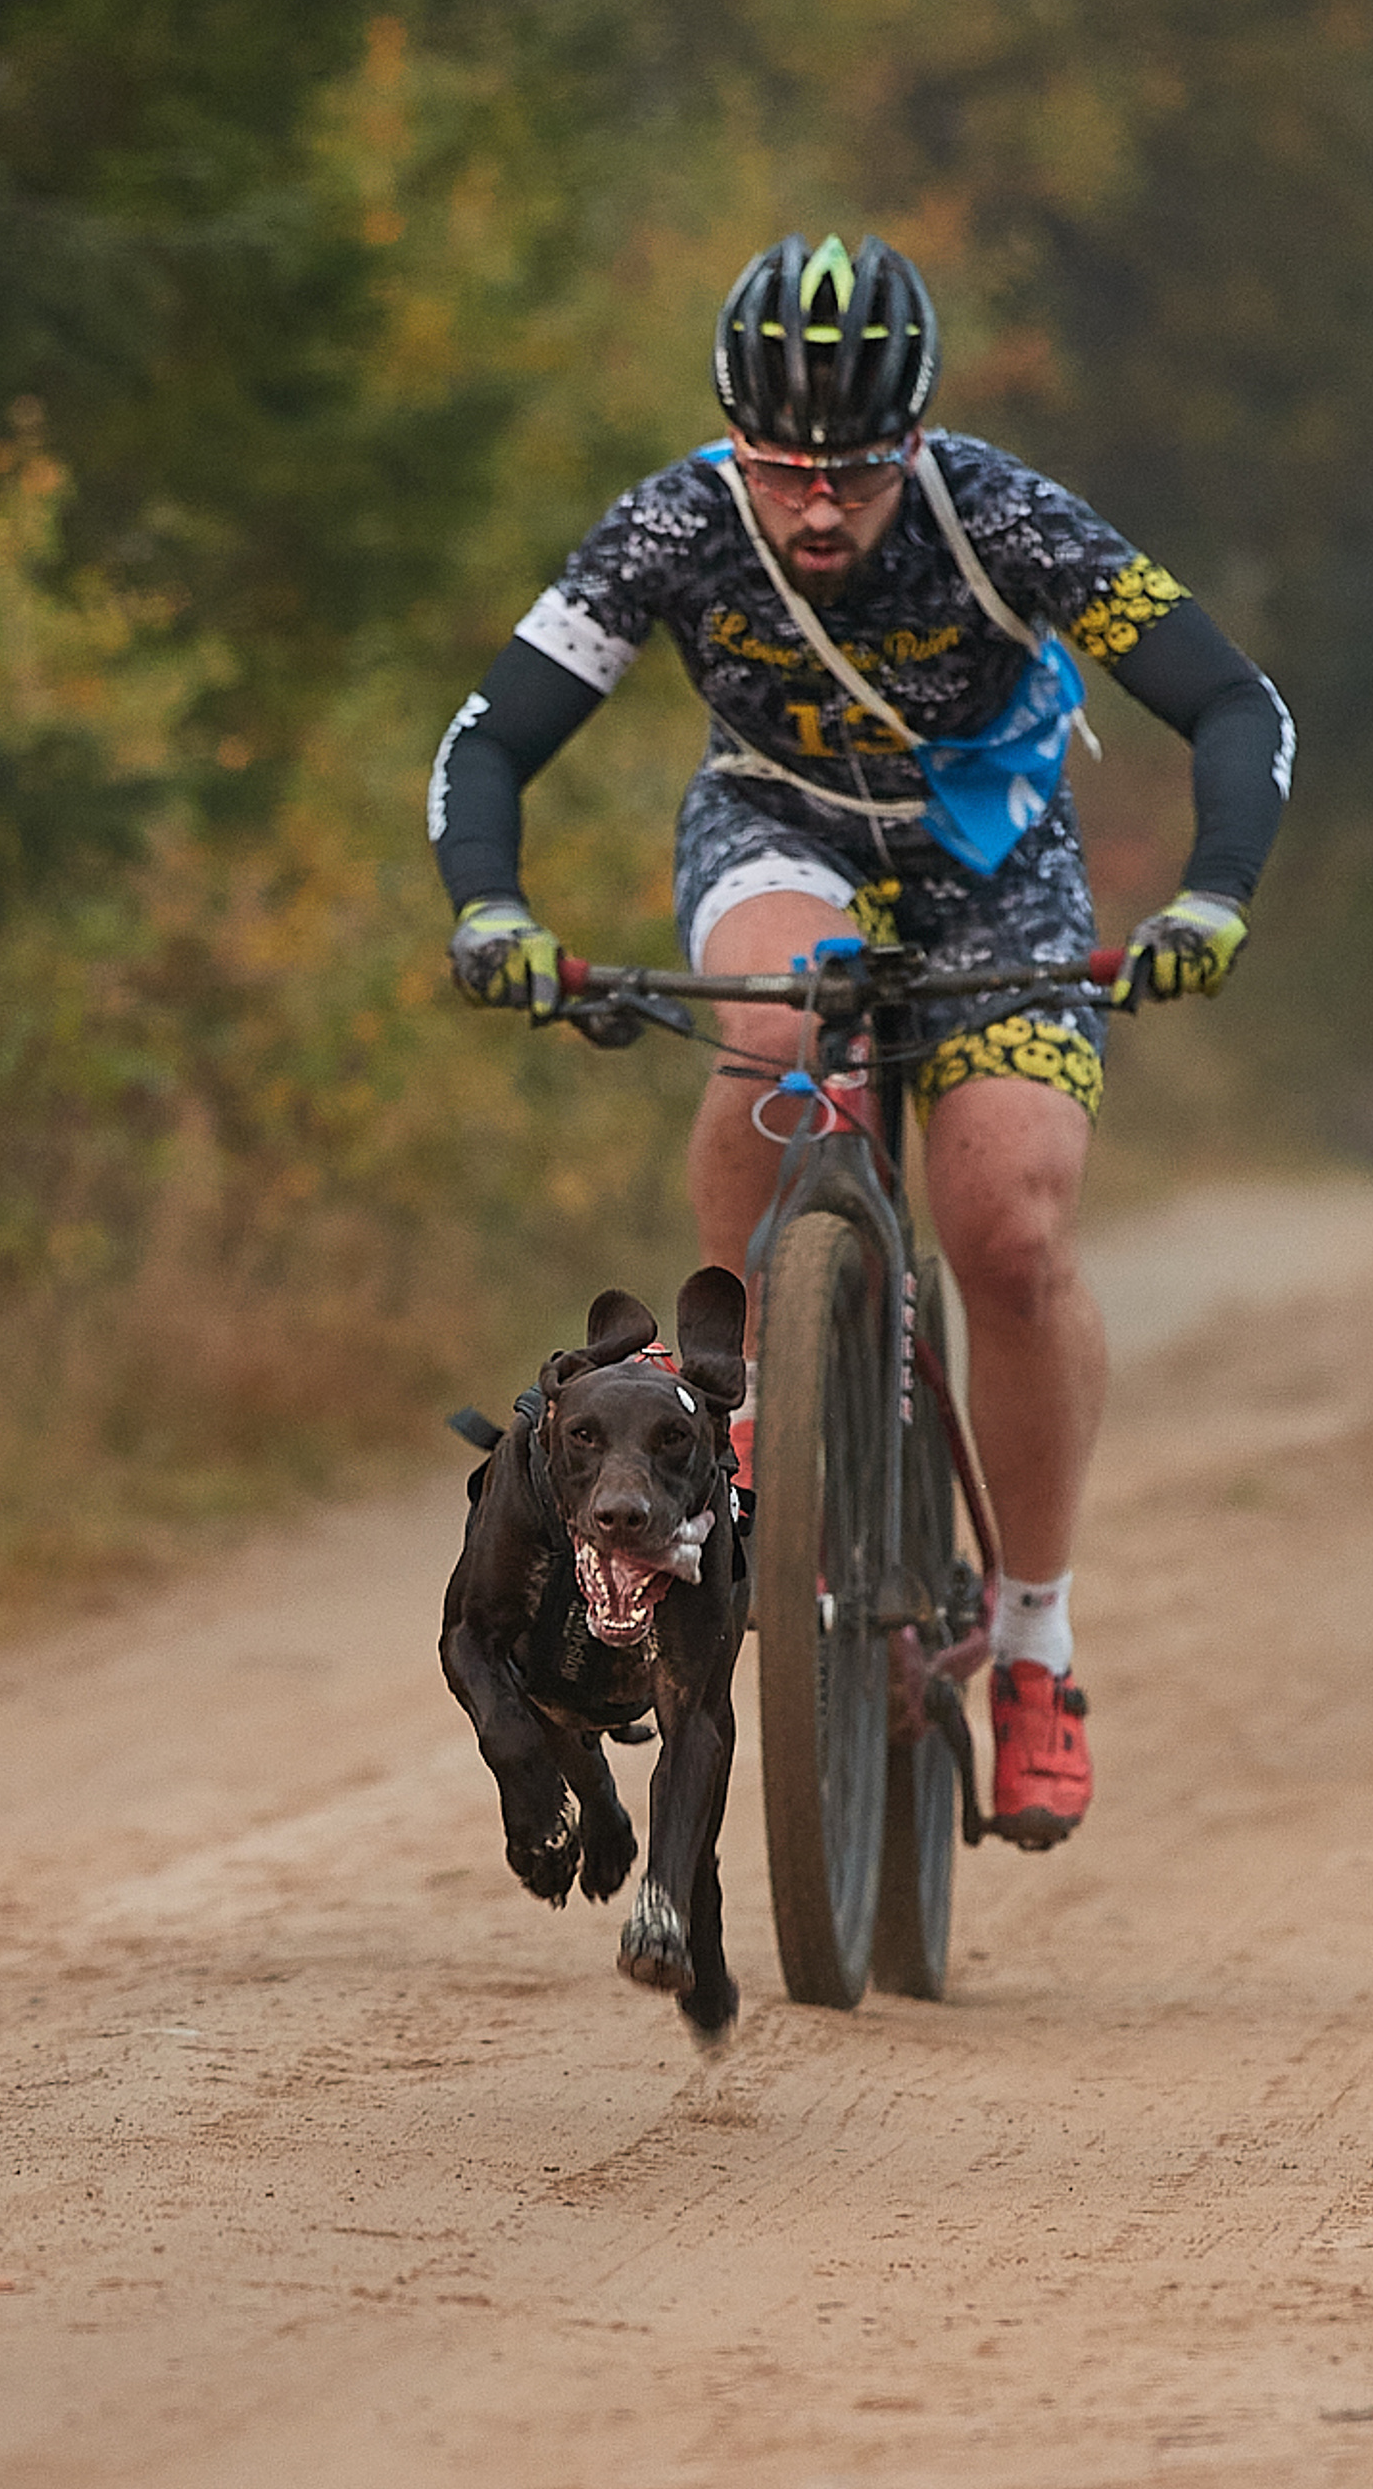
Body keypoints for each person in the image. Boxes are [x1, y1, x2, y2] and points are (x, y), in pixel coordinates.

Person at [428, 233, 1292, 1848]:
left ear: (917, 442)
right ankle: (743, 1396)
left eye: (857, 476)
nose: (817, 509)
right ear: (730, 441)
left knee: (1011, 1229)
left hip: (996, 872)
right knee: (771, 1019)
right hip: (778, 833)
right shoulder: (674, 523)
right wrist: (495, 914)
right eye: (781, 472)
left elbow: (1235, 705)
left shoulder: (1004, 516)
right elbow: (492, 737)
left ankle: (1033, 1643)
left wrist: (1211, 899)